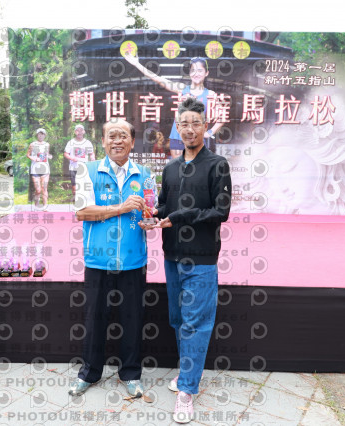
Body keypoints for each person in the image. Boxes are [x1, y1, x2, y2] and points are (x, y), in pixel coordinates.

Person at [153, 97, 232, 424]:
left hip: (201, 259)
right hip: (172, 256)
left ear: (205, 126)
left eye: (195, 123)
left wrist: (182, 216)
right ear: (177, 127)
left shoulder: (217, 165)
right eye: (183, 124)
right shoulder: (170, 168)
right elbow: (163, 206)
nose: (189, 129)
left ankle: (187, 390)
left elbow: (221, 211)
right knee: (177, 320)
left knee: (195, 324)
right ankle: (187, 374)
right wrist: (151, 214)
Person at [69, 118, 156, 399]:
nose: (117, 141)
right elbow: (82, 212)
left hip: (133, 260)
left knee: (133, 319)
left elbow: (151, 210)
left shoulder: (145, 174)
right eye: (112, 136)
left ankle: (130, 373)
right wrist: (121, 207)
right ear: (103, 141)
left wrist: (150, 221)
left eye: (123, 136)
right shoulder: (88, 170)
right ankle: (89, 373)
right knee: (95, 318)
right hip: (98, 260)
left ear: (132, 141)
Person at [124, 54, 225, 158]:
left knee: (196, 166)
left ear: (206, 73)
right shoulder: (182, 89)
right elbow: (157, 79)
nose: (196, 74)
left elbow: (222, 117)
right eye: (193, 70)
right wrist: (137, 64)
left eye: (200, 70)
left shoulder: (210, 94)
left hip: (196, 137)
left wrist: (209, 133)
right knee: (178, 167)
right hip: (178, 137)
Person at [64, 124, 95, 201]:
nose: (79, 132)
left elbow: (91, 153)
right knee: (75, 188)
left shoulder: (87, 143)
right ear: (75, 132)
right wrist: (72, 158)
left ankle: (85, 202)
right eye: (77, 130)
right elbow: (66, 153)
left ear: (84, 131)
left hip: (84, 167)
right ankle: (76, 201)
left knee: (84, 186)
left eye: (81, 130)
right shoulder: (71, 142)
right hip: (73, 167)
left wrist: (92, 159)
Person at [27, 128, 52, 209]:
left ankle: (45, 206)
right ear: (37, 135)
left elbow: (47, 154)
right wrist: (34, 158)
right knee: (38, 190)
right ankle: (36, 205)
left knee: (44, 188)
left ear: (45, 135)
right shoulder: (32, 144)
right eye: (39, 134)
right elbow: (28, 155)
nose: (41, 136)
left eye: (42, 134)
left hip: (45, 169)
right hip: (35, 169)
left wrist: (49, 156)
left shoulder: (47, 144)